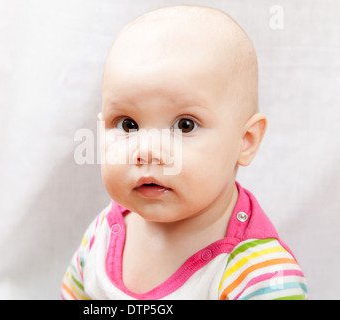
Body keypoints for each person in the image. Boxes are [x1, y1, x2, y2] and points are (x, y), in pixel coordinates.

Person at [61, 5, 308, 300]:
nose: (148, 151)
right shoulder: (105, 231)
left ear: (246, 140)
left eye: (185, 125)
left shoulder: (258, 274)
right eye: (128, 125)